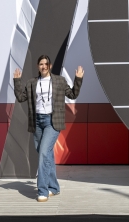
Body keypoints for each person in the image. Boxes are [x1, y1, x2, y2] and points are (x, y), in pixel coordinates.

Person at [13, 55, 83, 202]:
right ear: (38, 66)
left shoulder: (59, 81)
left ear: (50, 66)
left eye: (46, 64)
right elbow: (21, 98)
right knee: (47, 155)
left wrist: (78, 79)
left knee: (44, 154)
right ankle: (54, 187)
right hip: (37, 121)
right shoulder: (32, 83)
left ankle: (42, 190)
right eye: (41, 64)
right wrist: (17, 81)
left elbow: (73, 94)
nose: (43, 66)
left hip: (52, 121)